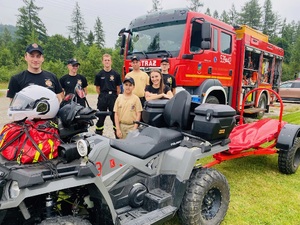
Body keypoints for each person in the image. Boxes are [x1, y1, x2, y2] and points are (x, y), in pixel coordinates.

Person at [94, 53, 122, 136]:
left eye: (108, 60)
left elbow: (118, 88)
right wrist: (103, 95)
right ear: (102, 61)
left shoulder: (116, 74)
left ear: (111, 62)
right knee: (100, 118)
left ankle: (117, 135)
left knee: (114, 117)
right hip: (103, 97)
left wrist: (113, 96)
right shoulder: (99, 75)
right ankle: (98, 134)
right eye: (105, 60)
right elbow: (97, 88)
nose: (107, 62)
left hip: (113, 97)